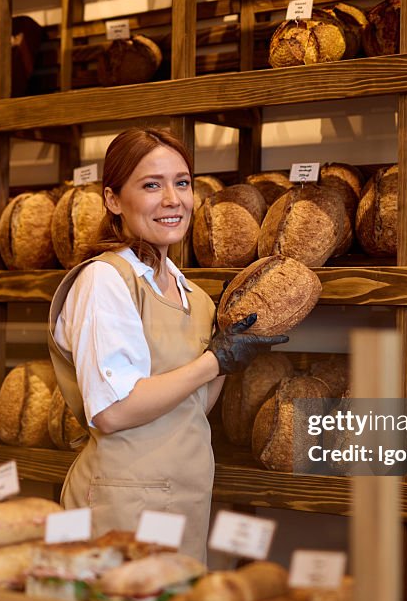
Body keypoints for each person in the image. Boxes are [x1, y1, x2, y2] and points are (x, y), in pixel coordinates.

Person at [47, 127, 287, 560]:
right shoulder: (104, 279)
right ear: (113, 199)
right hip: (119, 504)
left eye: (182, 183)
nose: (173, 199)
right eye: (151, 185)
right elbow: (112, 411)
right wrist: (215, 360)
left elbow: (191, 408)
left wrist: (231, 356)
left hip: (185, 497)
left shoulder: (191, 295)